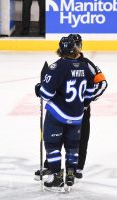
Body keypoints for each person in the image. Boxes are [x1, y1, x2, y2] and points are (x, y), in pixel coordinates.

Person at [35, 34, 108, 180]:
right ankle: (51, 166)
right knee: (63, 138)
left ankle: (75, 169)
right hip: (74, 109)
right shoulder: (67, 64)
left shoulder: (86, 64)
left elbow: (102, 84)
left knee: (78, 139)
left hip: (78, 109)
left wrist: (84, 102)